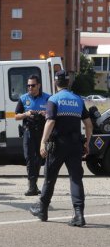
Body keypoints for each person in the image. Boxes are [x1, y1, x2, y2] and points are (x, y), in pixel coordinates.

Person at [30, 70, 93, 227]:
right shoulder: (78, 99)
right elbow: (88, 124)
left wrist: (43, 142)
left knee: (50, 178)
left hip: (58, 145)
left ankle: (43, 210)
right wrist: (87, 143)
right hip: (75, 145)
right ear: (68, 82)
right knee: (76, 179)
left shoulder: (54, 99)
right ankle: (79, 215)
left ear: (55, 83)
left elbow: (50, 122)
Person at [15, 75, 50, 196]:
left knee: (39, 159)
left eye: (33, 85)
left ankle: (34, 184)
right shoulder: (23, 98)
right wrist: (26, 114)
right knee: (29, 158)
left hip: (42, 132)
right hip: (28, 132)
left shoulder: (47, 98)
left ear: (38, 85)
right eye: (28, 85)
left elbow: (53, 114)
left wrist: (45, 113)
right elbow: (16, 116)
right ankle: (32, 186)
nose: (30, 87)